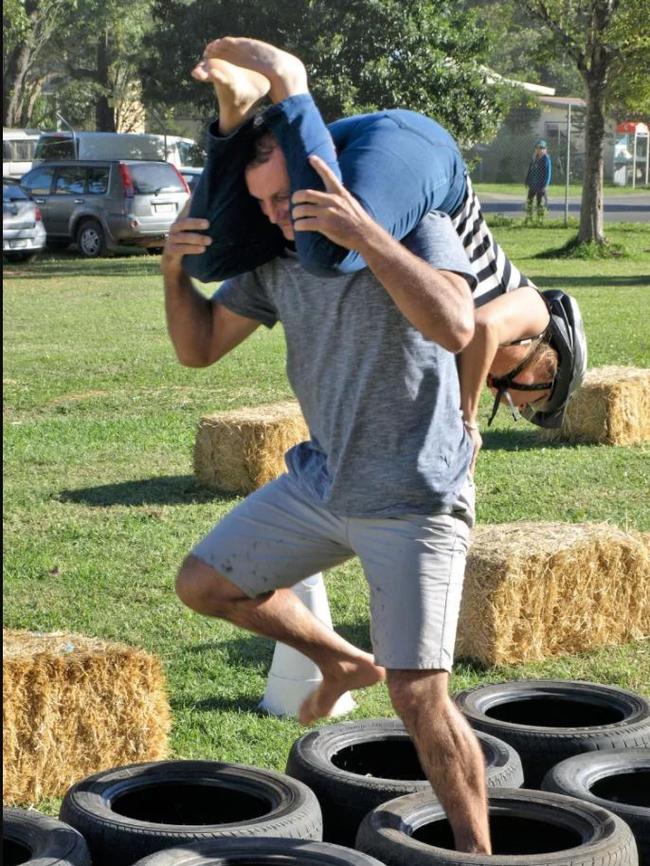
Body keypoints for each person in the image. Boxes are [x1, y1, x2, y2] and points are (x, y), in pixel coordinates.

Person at [162, 61, 494, 854]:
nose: (280, 219)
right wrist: (173, 270)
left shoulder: (409, 219)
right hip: (323, 479)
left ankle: (479, 852)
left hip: (413, 492)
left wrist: (362, 235)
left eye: (287, 199)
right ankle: (342, 662)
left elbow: (458, 324)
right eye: (265, 205)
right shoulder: (277, 259)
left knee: (419, 698)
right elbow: (198, 348)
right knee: (203, 583)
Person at [187, 39, 586, 471]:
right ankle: (290, 83)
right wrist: (467, 419)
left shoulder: (464, 366)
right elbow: (482, 325)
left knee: (207, 256)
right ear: (547, 371)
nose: (515, 406)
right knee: (332, 250)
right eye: (531, 402)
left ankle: (236, 113)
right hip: (421, 150)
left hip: (365, 155)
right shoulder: (536, 310)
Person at [525, 139, 552, 223]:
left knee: (539, 202)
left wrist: (545, 185)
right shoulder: (534, 158)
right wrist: (526, 180)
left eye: (542, 148)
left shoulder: (546, 159)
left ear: (545, 149)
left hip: (541, 185)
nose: (539, 150)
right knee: (529, 200)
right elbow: (530, 170)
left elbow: (548, 173)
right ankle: (529, 218)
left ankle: (540, 219)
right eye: (538, 148)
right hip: (532, 183)